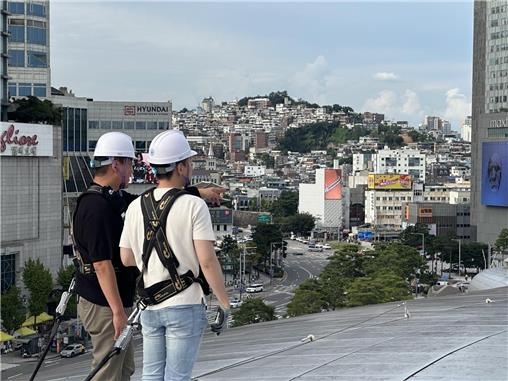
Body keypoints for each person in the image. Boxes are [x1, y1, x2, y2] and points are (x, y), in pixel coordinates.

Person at [73, 131, 226, 381]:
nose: (132, 170)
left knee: (125, 369)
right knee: (108, 370)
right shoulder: (95, 206)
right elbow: (102, 265)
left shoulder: (115, 199)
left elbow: (158, 199)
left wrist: (201, 192)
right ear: (116, 164)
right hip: (102, 299)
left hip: (115, 299)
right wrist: (118, 312)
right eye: (130, 163)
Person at [120, 130, 230, 381]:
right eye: (189, 162)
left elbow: (126, 258)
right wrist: (224, 302)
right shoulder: (194, 205)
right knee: (177, 377)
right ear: (180, 167)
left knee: (152, 375)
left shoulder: (136, 205)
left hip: (150, 302)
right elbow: (207, 261)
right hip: (184, 303)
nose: (190, 167)